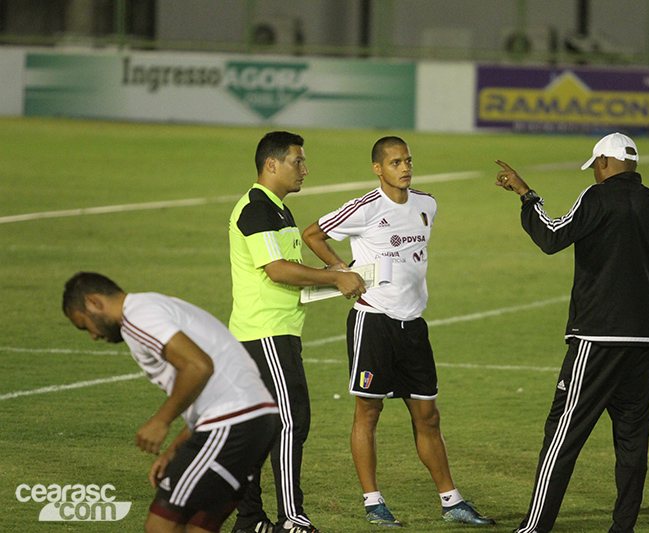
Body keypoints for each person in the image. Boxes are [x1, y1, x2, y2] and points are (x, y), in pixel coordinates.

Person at [302, 136, 495, 528]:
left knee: (428, 416)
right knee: (368, 411)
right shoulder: (366, 208)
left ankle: (451, 501)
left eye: (407, 160)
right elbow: (312, 234)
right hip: (373, 322)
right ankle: (374, 503)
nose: (404, 168)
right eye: (394, 162)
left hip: (413, 326)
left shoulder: (427, 204)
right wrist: (342, 271)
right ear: (378, 169)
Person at [495, 132, 649, 533]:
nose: (595, 172)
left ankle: (534, 529)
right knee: (632, 441)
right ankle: (622, 528)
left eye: (596, 165)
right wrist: (641, 313)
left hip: (597, 338)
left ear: (605, 163)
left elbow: (551, 236)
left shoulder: (597, 198)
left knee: (563, 433)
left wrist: (527, 196)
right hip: (646, 340)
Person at [62, 272, 281, 533]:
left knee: (161, 524)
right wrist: (175, 449)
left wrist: (161, 420)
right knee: (198, 526)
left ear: (93, 303)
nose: (93, 336)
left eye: (84, 325)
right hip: (257, 419)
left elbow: (198, 367)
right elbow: (206, 389)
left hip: (232, 421)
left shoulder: (138, 316)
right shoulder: (156, 306)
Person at [228, 131, 366, 533]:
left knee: (260, 428)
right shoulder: (257, 208)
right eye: (297, 162)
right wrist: (332, 278)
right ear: (271, 164)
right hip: (266, 332)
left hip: (271, 331)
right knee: (291, 423)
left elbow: (291, 270)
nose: (305, 169)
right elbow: (279, 270)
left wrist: (334, 277)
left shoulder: (278, 209)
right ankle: (293, 519)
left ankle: (250, 520)